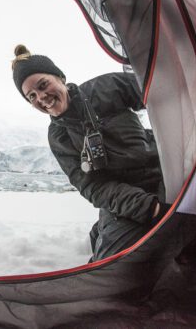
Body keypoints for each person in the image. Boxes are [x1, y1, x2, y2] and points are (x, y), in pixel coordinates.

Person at [11, 44, 167, 262]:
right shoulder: (58, 136)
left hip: (165, 174)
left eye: (43, 85)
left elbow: (160, 94)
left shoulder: (105, 87)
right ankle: (104, 232)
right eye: (31, 96)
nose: (41, 97)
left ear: (60, 77)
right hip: (125, 200)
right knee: (112, 266)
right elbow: (92, 186)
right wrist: (147, 207)